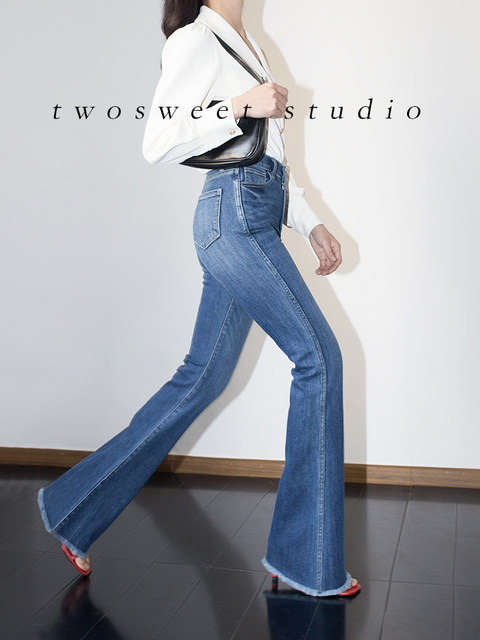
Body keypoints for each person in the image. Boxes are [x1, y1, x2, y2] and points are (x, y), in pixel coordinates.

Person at [37, 0, 361, 598]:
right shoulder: (193, 40)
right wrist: (239, 105)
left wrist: (311, 221)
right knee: (319, 359)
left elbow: (270, 157)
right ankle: (306, 560)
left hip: (256, 214)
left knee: (201, 379)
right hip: (232, 218)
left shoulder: (251, 45)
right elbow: (158, 139)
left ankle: (73, 508)